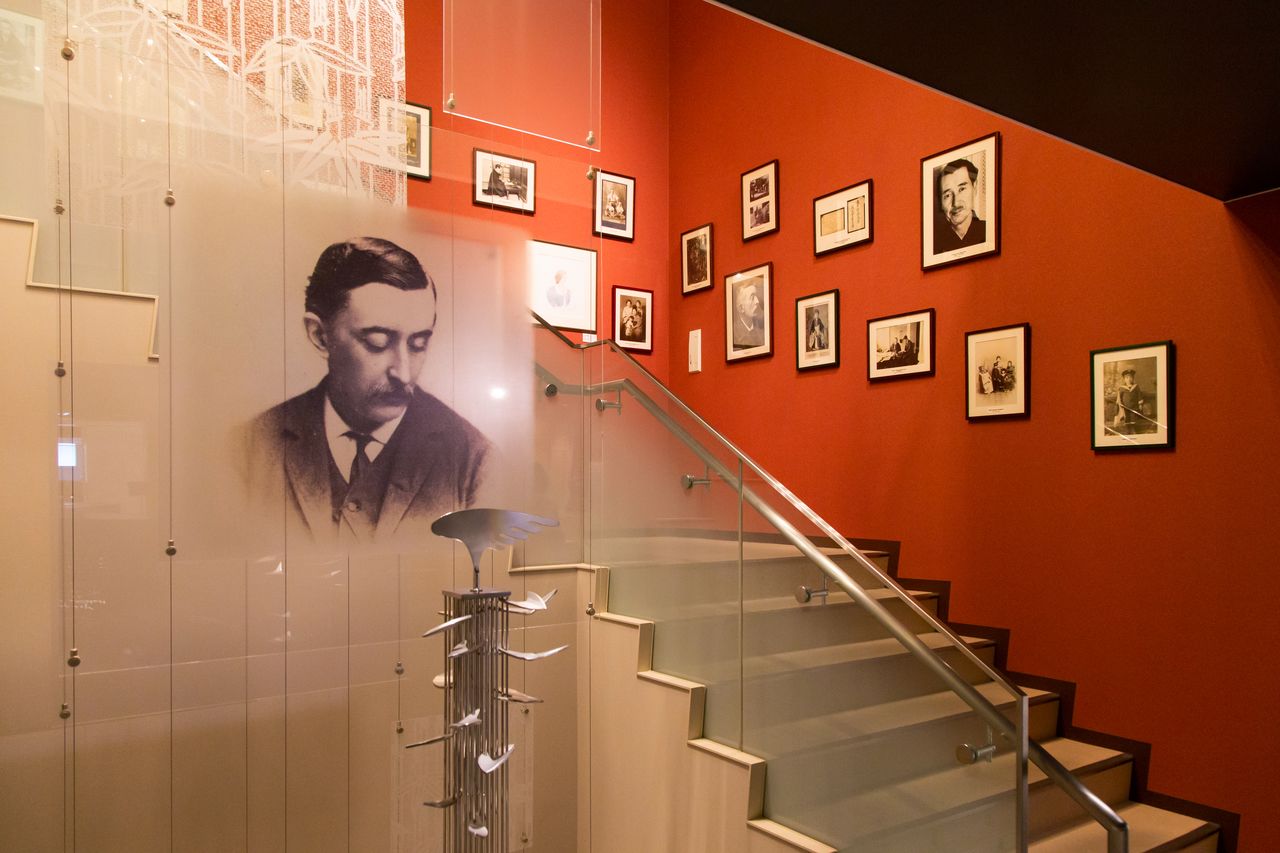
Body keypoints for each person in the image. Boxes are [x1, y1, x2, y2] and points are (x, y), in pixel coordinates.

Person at [246, 237, 491, 545]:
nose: (403, 374)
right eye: (377, 342)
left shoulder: (474, 460)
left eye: (418, 345)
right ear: (320, 335)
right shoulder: (252, 446)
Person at [934, 158, 987, 253]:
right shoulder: (934, 244)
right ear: (940, 203)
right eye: (947, 195)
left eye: (962, 189)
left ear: (974, 188)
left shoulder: (988, 232)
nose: (956, 203)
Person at [733, 280, 765, 348]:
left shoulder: (763, 328)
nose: (757, 301)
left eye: (756, 296)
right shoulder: (734, 333)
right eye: (752, 297)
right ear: (741, 308)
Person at [1115, 367, 1146, 433]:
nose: (1129, 379)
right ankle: (1128, 430)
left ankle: (1133, 429)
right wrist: (1120, 404)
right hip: (1125, 407)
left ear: (1133, 378)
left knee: (1133, 418)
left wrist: (1140, 404)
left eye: (1130, 377)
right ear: (1124, 379)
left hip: (1134, 406)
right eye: (1127, 378)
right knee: (1127, 418)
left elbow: (1139, 395)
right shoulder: (1122, 388)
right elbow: (1119, 397)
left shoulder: (1136, 386)